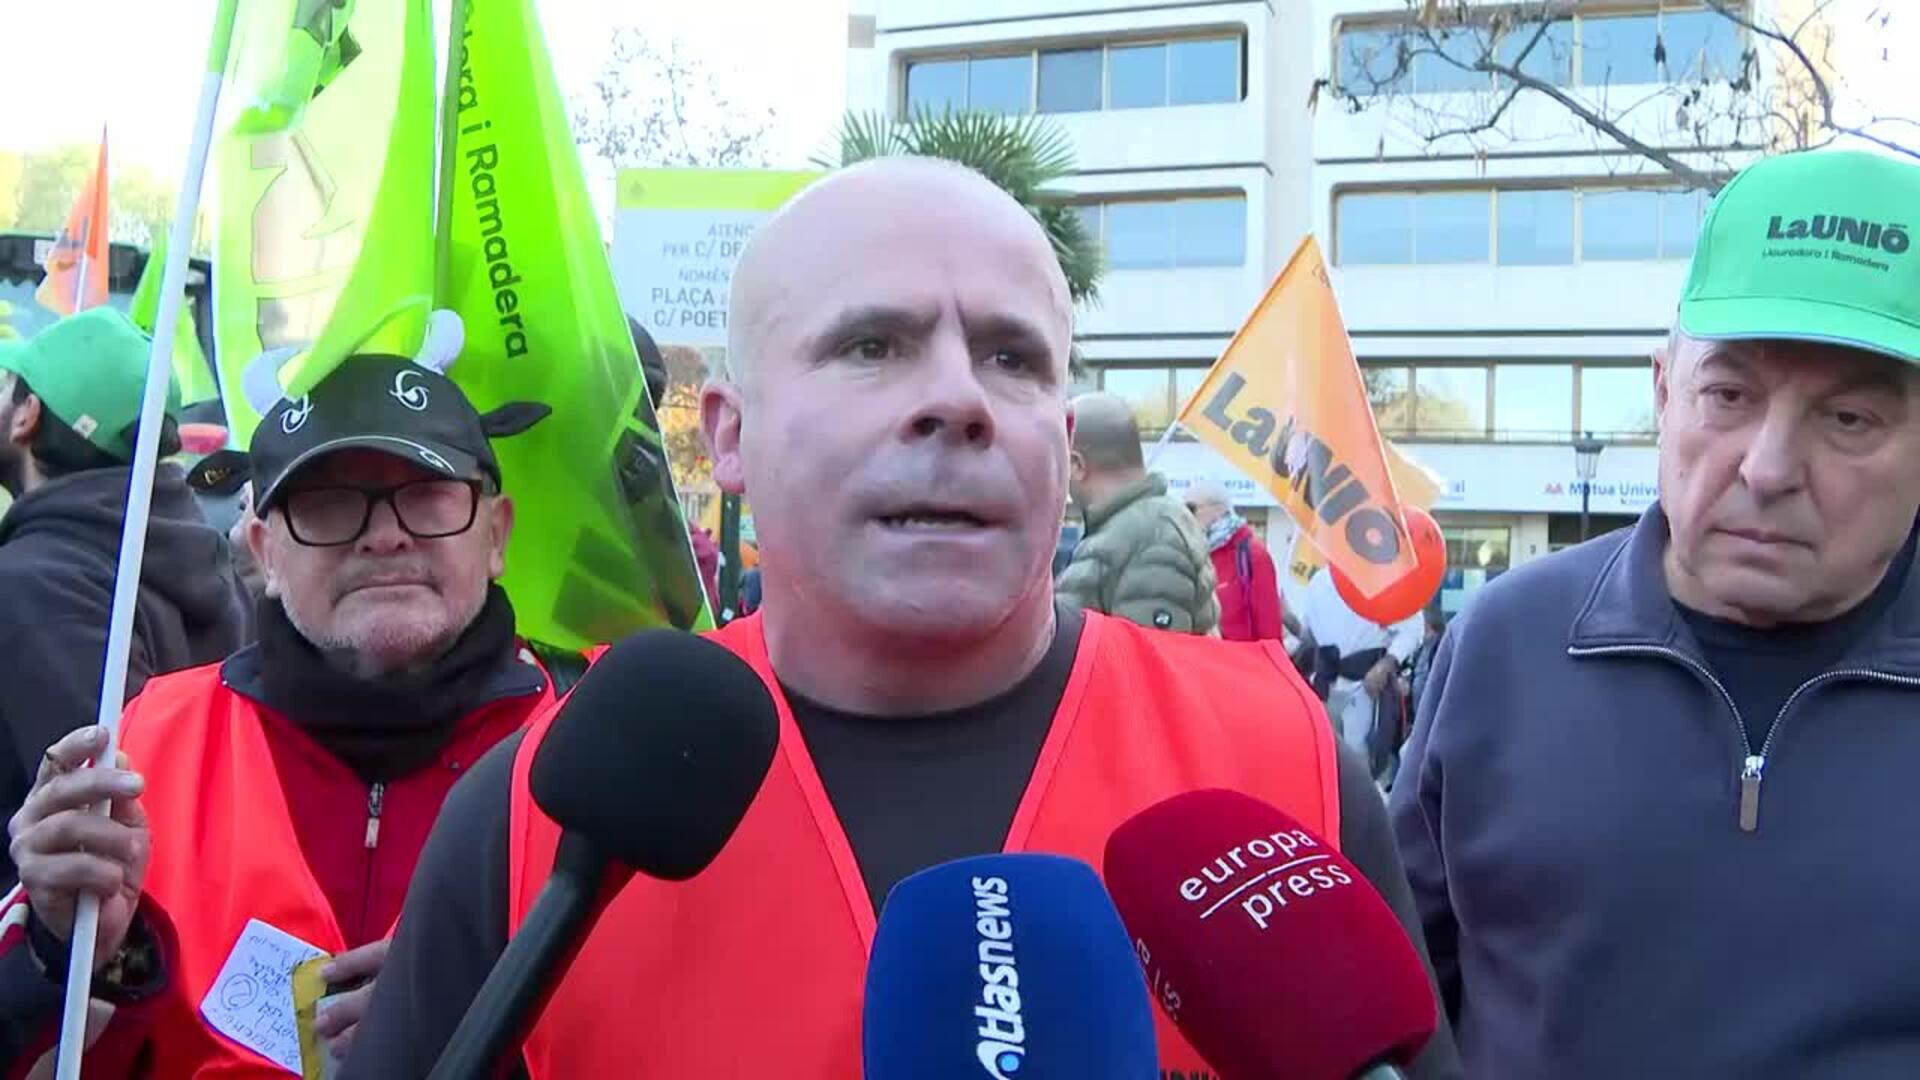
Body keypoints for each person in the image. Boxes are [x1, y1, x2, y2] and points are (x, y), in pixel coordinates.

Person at [345, 158, 1460, 1078]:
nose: (959, 400)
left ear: (1065, 445)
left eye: (1011, 357)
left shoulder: (1281, 771)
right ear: (728, 435)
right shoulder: (542, 824)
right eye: (871, 345)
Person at [1391, 149, 1920, 1078]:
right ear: (1663, 390)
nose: (1765, 466)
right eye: (1728, 395)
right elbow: (1397, 1004)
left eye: (1849, 421)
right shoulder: (1502, 647)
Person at [0, 353, 573, 1072]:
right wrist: (67, 948)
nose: (385, 534)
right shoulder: (148, 748)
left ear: (495, 534)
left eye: (426, 493)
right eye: (329, 501)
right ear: (265, 553)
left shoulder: (586, 752)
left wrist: (494, 1027)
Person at [0, 308, 248, 884]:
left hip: (76, 947)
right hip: (195, 927)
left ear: (27, 417)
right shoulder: (200, 549)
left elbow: (101, 810)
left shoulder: (31, 585)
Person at [1055, 391, 1218, 634]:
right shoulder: (1129, 527)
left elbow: (1151, 660)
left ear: (1077, 464)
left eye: (1059, 460)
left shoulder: (1152, 532)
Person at [1301, 564, 1423, 780]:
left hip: (1365, 685)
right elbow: (1306, 633)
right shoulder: (1319, 580)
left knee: (1362, 768)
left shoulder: (1384, 576)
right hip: (1324, 686)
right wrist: (1285, 618)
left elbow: (1413, 629)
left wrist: (1386, 664)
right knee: (1324, 764)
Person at [1184, 480, 1295, 642]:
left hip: (1242, 662)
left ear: (1217, 510)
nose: (1186, 516)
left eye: (1191, 508)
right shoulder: (1194, 553)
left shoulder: (1253, 556)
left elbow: (1269, 631)